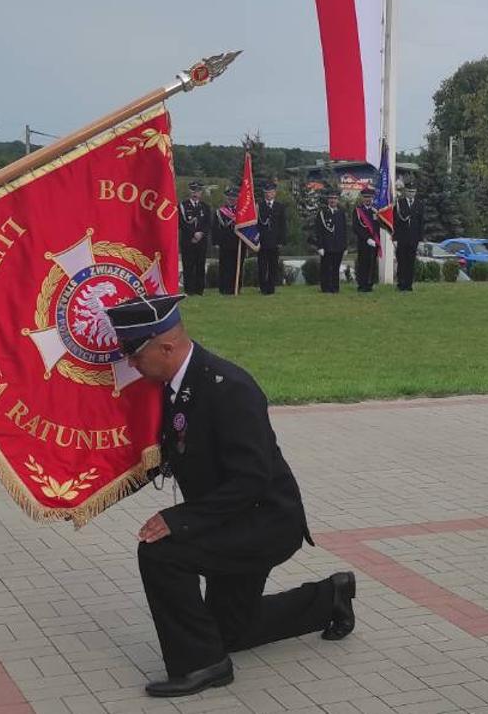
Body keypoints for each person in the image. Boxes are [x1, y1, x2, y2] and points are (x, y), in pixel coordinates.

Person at [107, 294, 356, 697]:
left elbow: (251, 480)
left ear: (166, 347)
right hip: (231, 519)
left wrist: (180, 519)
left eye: (135, 354)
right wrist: (94, 493)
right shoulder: (177, 384)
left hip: (266, 521)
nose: (131, 364)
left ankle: (202, 665)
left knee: (161, 552)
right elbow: (172, 454)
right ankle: (330, 597)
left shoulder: (230, 388)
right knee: (228, 629)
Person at [179, 183, 215, 295]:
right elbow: (181, 223)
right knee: (188, 266)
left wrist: (201, 233)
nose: (195, 193)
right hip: (188, 241)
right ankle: (189, 290)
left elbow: (208, 223)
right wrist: (193, 234)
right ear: (190, 191)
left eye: (198, 191)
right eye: (193, 191)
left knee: (200, 265)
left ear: (201, 193)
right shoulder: (182, 206)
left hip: (202, 241)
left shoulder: (205, 207)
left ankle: (199, 290)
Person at [311, 190, 348, 293]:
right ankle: (325, 288)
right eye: (331, 198)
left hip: (338, 246)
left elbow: (344, 230)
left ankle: (335, 288)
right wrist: (320, 246)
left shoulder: (341, 213)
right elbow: (318, 231)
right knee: (326, 268)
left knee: (336, 268)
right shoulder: (322, 213)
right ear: (328, 200)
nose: (333, 200)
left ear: (338, 200)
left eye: (335, 198)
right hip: (326, 246)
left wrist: (345, 246)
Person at [256, 184, 288, 295]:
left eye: (270, 192)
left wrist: (281, 241)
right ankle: (262, 287)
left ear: (275, 193)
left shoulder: (280, 207)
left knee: (273, 266)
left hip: (275, 241)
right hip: (262, 241)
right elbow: (256, 225)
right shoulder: (258, 206)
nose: (268, 194)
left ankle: (271, 287)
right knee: (262, 266)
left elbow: (283, 225)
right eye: (266, 192)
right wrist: (255, 240)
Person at [393, 184, 424, 290]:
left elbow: (421, 223)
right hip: (402, 239)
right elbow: (395, 223)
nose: (412, 194)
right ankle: (401, 284)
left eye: (413, 191)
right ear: (405, 192)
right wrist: (395, 238)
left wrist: (420, 240)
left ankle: (409, 284)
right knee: (401, 262)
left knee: (411, 263)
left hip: (413, 239)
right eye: (410, 191)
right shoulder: (399, 204)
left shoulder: (419, 204)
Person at [353, 187, 382, 292]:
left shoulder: (375, 211)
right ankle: (362, 285)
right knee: (363, 263)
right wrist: (367, 239)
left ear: (372, 198)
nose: (367, 199)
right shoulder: (357, 211)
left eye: (369, 197)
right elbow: (356, 227)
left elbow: (377, 227)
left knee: (372, 264)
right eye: (365, 197)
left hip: (374, 242)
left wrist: (377, 240)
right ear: (362, 198)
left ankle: (370, 284)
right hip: (363, 242)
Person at [216, 186, 242, 295]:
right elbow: (215, 228)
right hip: (225, 242)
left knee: (237, 265)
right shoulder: (221, 211)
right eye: (230, 197)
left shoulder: (242, 211)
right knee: (225, 266)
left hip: (239, 242)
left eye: (234, 197)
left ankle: (236, 288)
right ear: (227, 198)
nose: (232, 199)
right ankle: (224, 288)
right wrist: (216, 242)